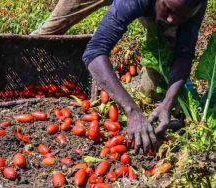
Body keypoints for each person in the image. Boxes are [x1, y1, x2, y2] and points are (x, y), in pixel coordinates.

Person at [33, 0, 207, 153]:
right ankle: (29, 61)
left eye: (181, 17)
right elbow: (94, 52)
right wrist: (131, 110)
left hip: (160, 4)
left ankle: (155, 104)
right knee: (53, 27)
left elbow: (184, 55)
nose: (171, 20)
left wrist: (167, 104)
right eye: (168, 9)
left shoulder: (193, 6)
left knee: (158, 76)